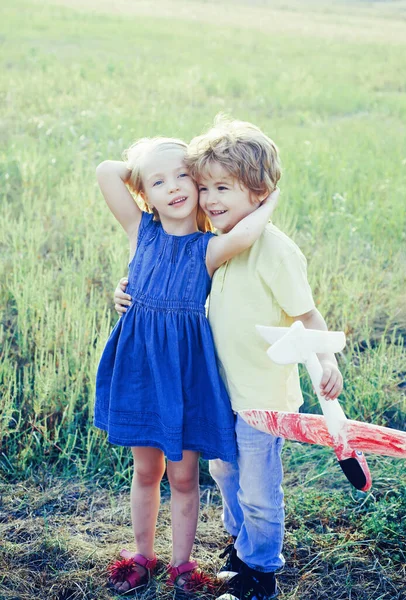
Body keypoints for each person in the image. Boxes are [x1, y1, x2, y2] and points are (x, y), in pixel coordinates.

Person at [114, 117, 343, 600]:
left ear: (258, 192)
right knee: (225, 474)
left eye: (223, 188)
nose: (210, 198)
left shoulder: (263, 249)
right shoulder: (200, 240)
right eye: (206, 186)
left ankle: (260, 572)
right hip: (218, 389)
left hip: (261, 396)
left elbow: (308, 313)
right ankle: (241, 551)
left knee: (258, 489)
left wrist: (327, 361)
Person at [94, 135, 278, 595]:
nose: (173, 187)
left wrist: (272, 195)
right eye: (158, 182)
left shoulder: (208, 249)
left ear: (198, 184)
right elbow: (105, 171)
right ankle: (142, 555)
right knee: (146, 472)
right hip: (141, 370)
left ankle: (181, 563)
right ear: (143, 193)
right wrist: (147, 166)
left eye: (183, 177)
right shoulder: (142, 231)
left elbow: (246, 234)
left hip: (186, 376)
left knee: (183, 475)